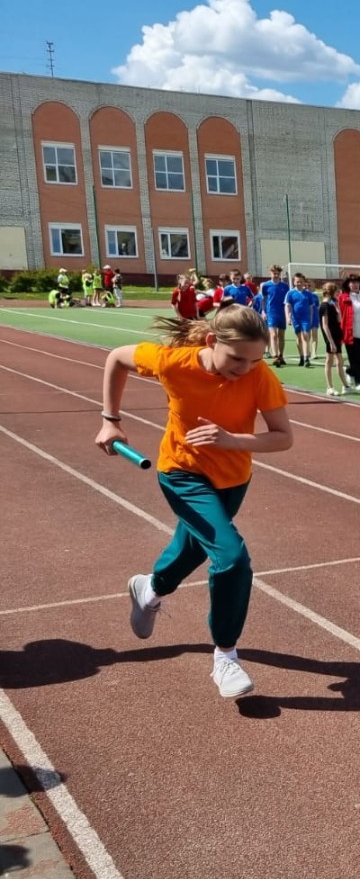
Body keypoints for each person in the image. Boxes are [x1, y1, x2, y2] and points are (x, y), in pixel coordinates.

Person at [95, 304, 292, 698]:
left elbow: (282, 436)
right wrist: (110, 420)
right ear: (211, 341)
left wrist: (232, 440)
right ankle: (226, 656)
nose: (246, 368)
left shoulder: (259, 377)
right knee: (232, 557)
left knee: (192, 548)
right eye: (237, 358)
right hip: (182, 473)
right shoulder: (173, 363)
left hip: (234, 479)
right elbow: (117, 357)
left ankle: (150, 588)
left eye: (256, 360)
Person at [318, 282, 346, 396]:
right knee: (329, 361)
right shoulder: (324, 306)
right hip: (331, 337)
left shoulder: (332, 305)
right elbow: (325, 325)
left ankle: (346, 385)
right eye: (336, 292)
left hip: (336, 335)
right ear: (331, 292)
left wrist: (337, 307)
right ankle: (329, 387)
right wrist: (331, 342)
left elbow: (339, 320)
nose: (338, 294)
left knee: (339, 360)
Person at [286, 274, 318, 368]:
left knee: (305, 336)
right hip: (296, 319)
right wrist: (288, 317)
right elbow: (288, 306)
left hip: (306, 319)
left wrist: (311, 318)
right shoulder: (291, 293)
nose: (299, 283)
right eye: (297, 281)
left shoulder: (308, 294)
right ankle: (301, 356)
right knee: (299, 338)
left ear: (304, 282)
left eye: (301, 281)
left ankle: (306, 358)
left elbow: (311, 307)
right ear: (294, 282)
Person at [260, 265, 289, 366]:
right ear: (270, 273)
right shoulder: (266, 285)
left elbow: (287, 302)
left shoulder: (285, 286)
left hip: (282, 313)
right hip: (271, 313)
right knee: (273, 334)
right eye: (274, 273)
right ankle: (275, 356)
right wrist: (263, 311)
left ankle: (281, 355)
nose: (276, 275)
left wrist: (288, 313)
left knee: (281, 335)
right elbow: (263, 299)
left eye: (277, 273)